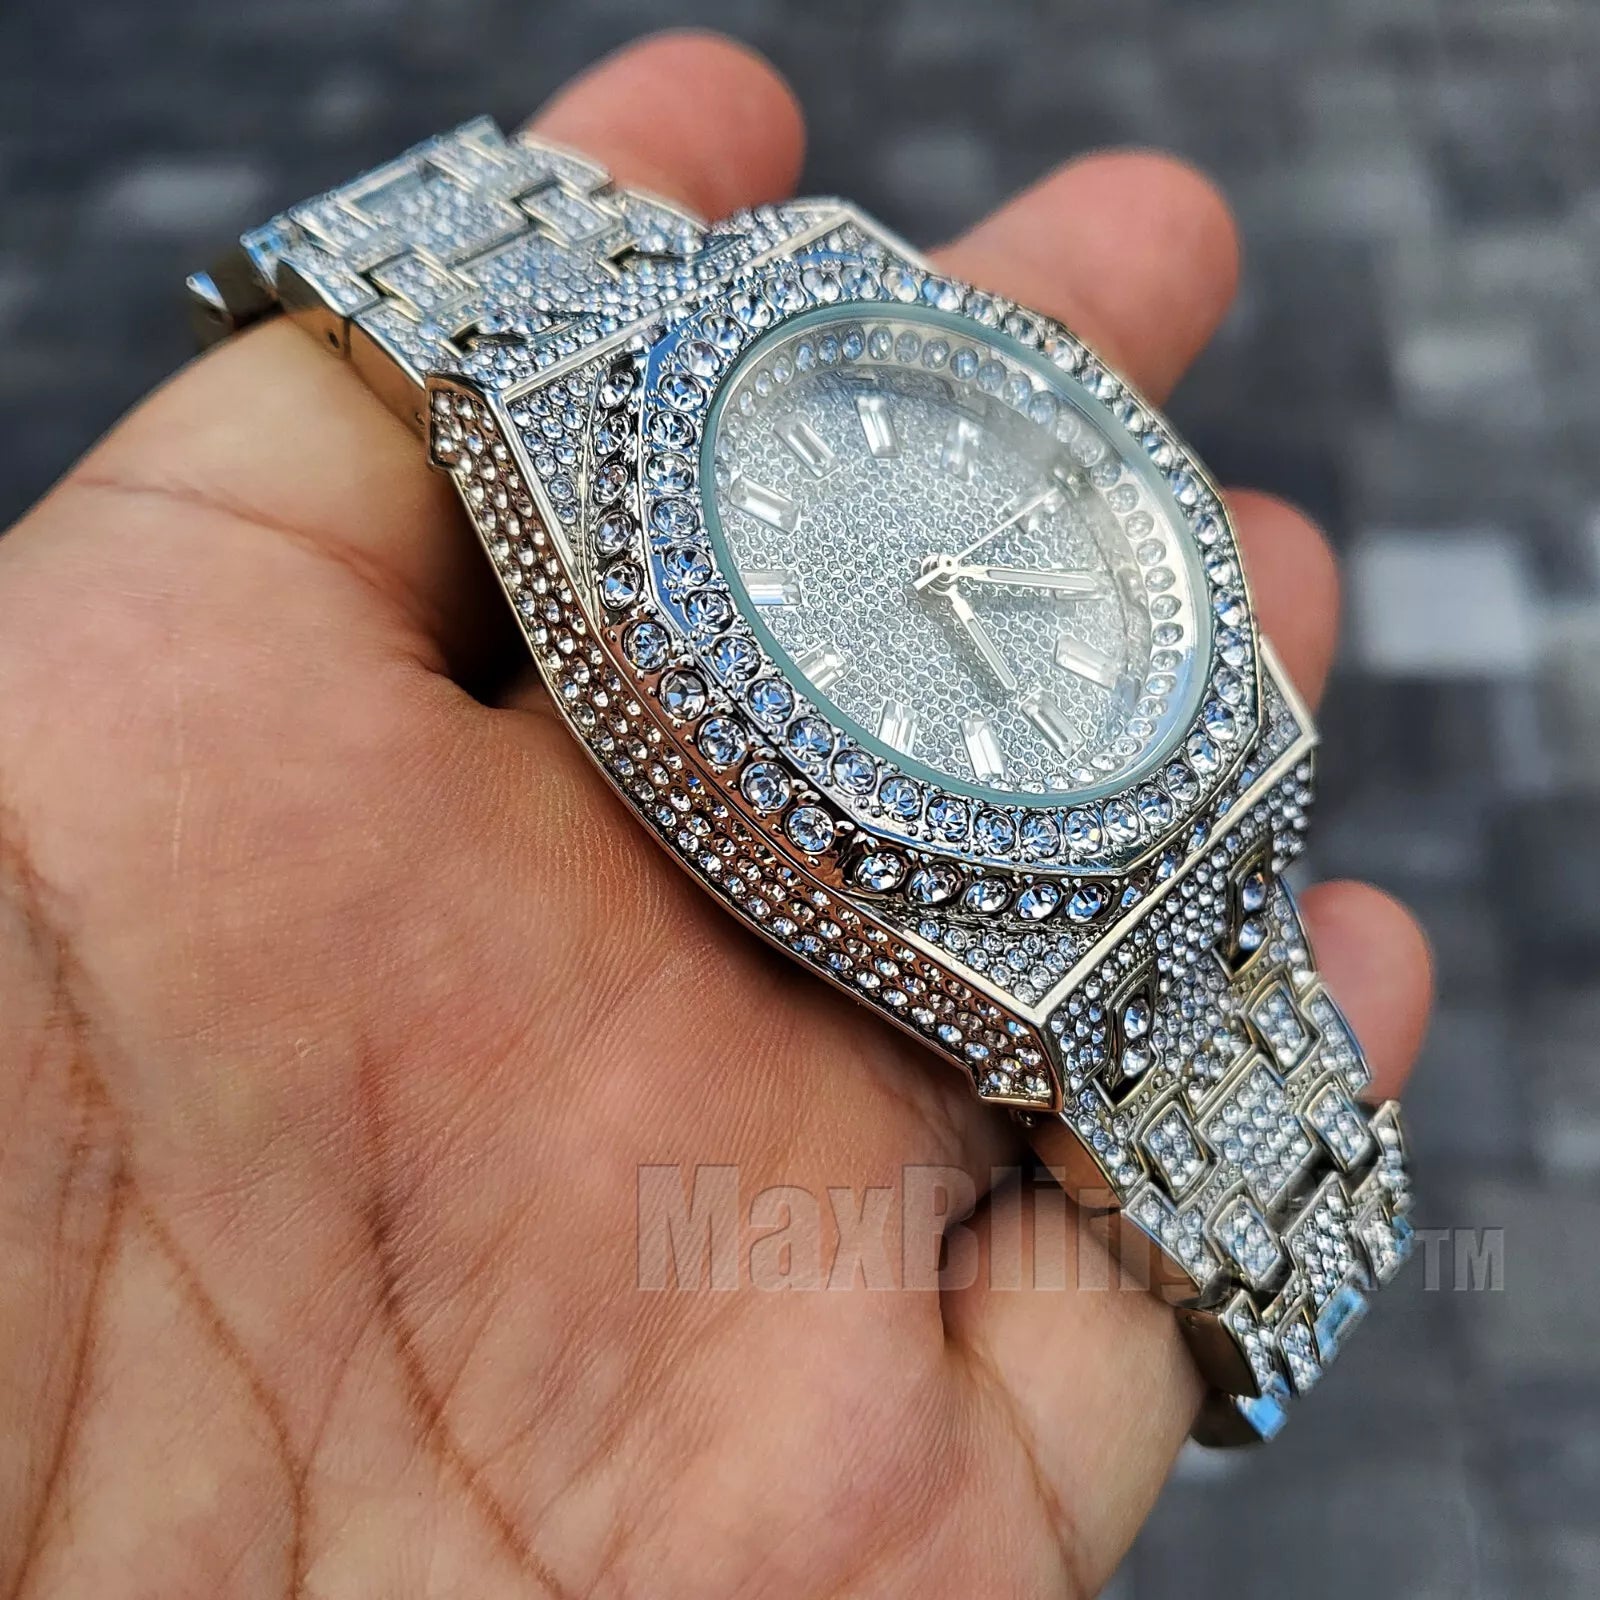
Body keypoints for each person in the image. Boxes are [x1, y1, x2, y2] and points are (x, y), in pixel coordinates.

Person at [0, 31, 1431, 1597]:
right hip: (987, 837)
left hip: (1149, 805)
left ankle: (1288, 1256)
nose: (933, 580)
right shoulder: (555, 405)